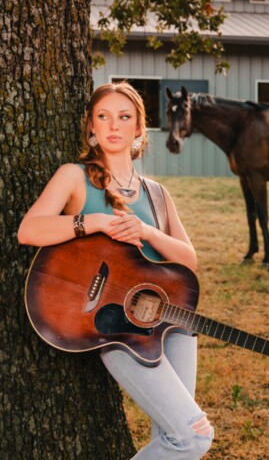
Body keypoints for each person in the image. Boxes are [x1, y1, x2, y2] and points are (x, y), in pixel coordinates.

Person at [18, 82, 214, 459]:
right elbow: (30, 231)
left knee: (176, 438)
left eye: (124, 117)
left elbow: (188, 259)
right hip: (119, 329)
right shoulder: (74, 176)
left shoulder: (156, 193)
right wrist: (93, 222)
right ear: (91, 127)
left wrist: (146, 230)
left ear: (139, 129)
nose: (113, 125)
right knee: (192, 438)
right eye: (103, 117)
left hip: (173, 322)